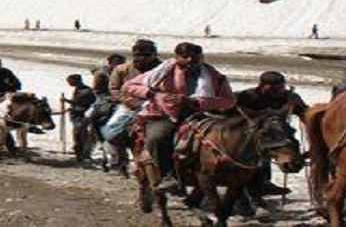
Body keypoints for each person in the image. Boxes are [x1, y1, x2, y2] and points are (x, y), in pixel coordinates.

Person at [126, 42, 236, 194]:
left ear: (201, 57)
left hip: (204, 115)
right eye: (185, 57)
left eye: (195, 57)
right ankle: (167, 175)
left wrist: (196, 101)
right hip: (165, 115)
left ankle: (250, 183)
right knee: (157, 137)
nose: (190, 60)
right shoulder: (163, 72)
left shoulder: (214, 76)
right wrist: (154, 94)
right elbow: (130, 86)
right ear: (177, 57)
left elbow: (228, 100)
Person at [234, 71, 309, 198]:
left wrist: (297, 105)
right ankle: (261, 183)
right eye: (274, 88)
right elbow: (237, 112)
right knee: (261, 150)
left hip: (278, 132)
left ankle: (290, 165)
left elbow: (305, 114)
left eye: (281, 87)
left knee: (289, 144)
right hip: (249, 133)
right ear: (262, 85)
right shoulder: (248, 96)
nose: (278, 91)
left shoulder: (288, 97)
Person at [65, 73, 97, 162]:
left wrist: (67, 101)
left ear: (76, 81)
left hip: (82, 116)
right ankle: (79, 153)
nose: (69, 83)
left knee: (80, 134)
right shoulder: (78, 89)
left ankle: (83, 153)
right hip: (76, 115)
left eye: (70, 81)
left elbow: (80, 103)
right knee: (78, 134)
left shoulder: (86, 91)